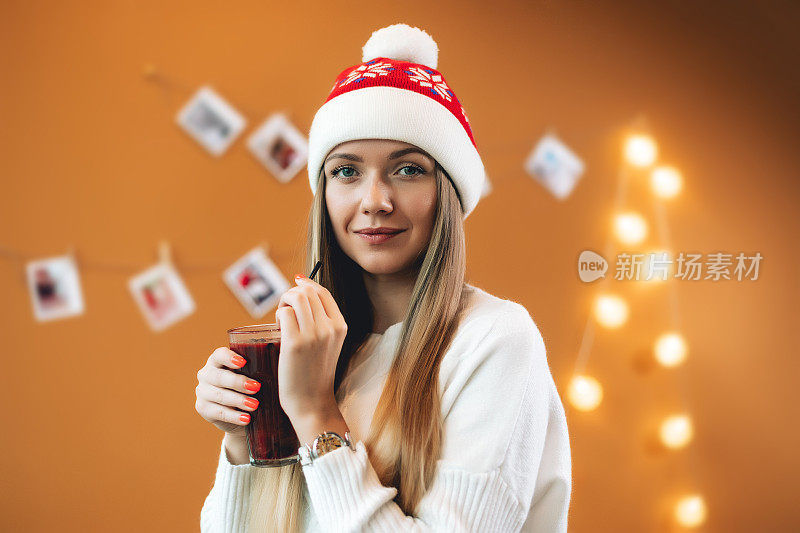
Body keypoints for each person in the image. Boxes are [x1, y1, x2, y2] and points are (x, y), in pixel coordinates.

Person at [196, 23, 572, 532]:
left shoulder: (496, 341)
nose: (375, 200)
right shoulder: (312, 350)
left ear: (449, 194)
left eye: (408, 169)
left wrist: (315, 414)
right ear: (324, 195)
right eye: (346, 171)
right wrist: (244, 443)